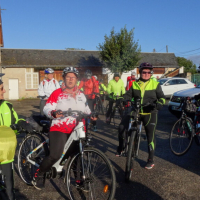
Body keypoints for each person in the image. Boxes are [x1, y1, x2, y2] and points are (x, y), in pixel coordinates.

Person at [32, 66, 96, 190]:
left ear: (77, 79)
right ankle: (39, 174)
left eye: (73, 77)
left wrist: (92, 115)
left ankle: (79, 180)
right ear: (64, 79)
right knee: (55, 155)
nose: (70, 79)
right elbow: (47, 107)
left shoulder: (81, 95)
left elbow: (87, 109)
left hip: (76, 129)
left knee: (78, 154)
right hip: (59, 128)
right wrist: (53, 113)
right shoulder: (57, 93)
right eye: (68, 77)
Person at [117, 62, 165, 170]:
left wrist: (160, 104)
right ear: (140, 72)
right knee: (122, 127)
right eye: (144, 72)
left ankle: (150, 159)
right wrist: (122, 98)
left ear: (151, 73)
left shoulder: (155, 84)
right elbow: (128, 95)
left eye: (149, 72)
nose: (146, 74)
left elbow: (162, 97)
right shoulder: (134, 84)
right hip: (136, 111)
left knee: (150, 136)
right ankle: (124, 148)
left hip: (150, 113)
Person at [0, 73, 33, 200]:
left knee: (9, 183)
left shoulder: (7, 105)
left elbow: (15, 120)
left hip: (6, 154)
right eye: (1, 88)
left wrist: (22, 124)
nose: (4, 91)